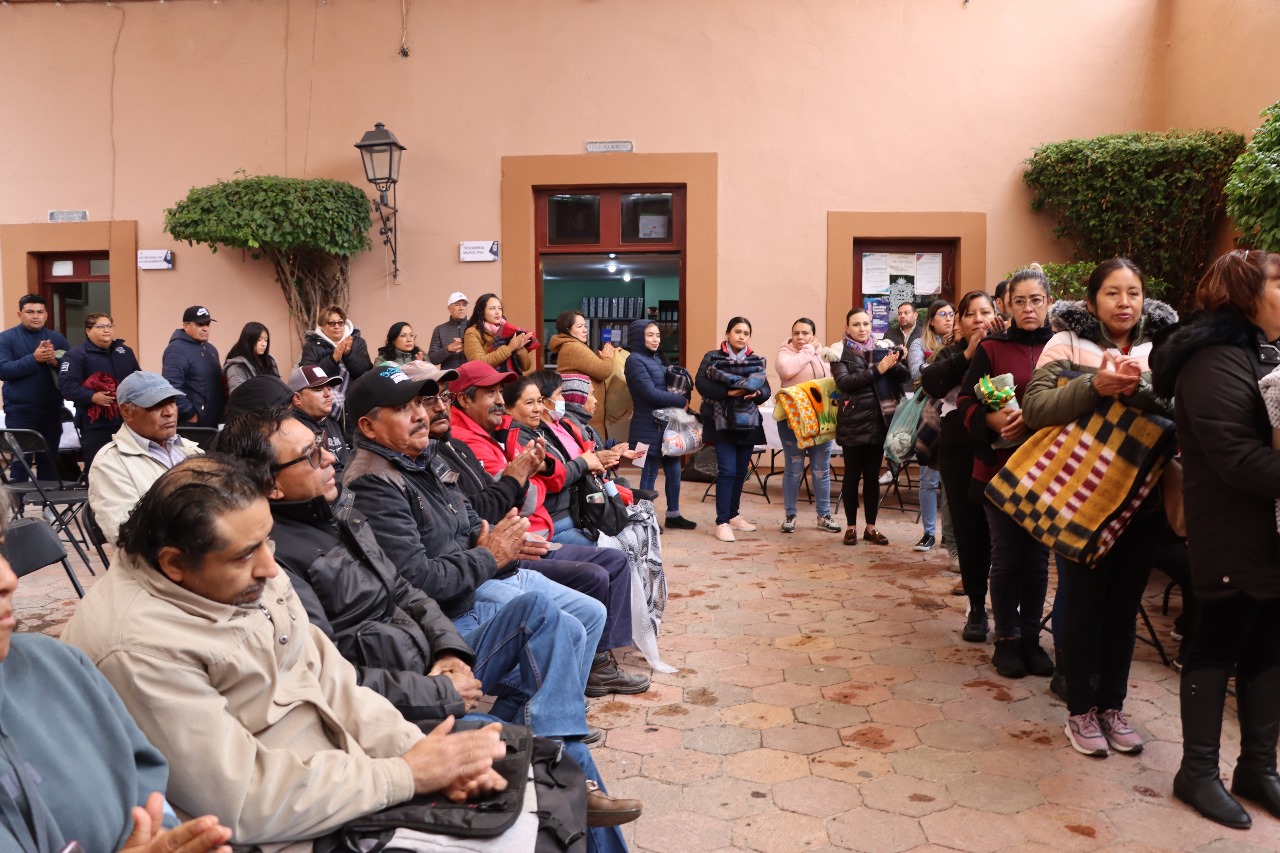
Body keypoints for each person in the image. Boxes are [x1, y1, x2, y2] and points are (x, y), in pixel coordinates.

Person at [211, 408, 642, 835]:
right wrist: (436, 688)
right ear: (271, 485)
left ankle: (557, 746)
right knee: (561, 762)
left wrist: (449, 650)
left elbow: (404, 589)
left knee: (545, 614)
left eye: (322, 445)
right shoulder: (281, 556)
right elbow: (333, 677)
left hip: (431, 656)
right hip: (399, 703)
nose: (329, 458)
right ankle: (560, 761)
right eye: (310, 455)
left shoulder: (341, 510)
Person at [62, 456, 517, 848]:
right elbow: (243, 801)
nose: (272, 567)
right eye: (245, 554)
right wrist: (405, 775)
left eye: (267, 539)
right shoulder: (139, 648)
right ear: (174, 564)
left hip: (348, 779)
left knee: (527, 772)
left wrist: (421, 752)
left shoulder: (241, 571)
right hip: (291, 832)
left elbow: (333, 680)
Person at [339, 366, 611, 702]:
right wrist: (489, 554)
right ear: (368, 426)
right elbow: (417, 579)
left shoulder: (421, 457)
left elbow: (471, 520)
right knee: (558, 630)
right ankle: (540, 726)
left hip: (478, 580)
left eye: (418, 404)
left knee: (591, 614)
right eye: (402, 409)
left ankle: (543, 721)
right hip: (450, 612)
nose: (421, 415)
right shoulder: (373, 483)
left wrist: (502, 545)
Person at [0, 499, 235, 853]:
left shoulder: (59, 666)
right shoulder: (126, 642)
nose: (9, 578)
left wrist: (163, 837)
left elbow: (145, 777)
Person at [1022, 258, 1177, 758]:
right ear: (1092, 302)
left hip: (1143, 499)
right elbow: (1036, 407)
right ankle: (1080, 710)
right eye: (1113, 293)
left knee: (1123, 607)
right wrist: (1093, 384)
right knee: (1083, 602)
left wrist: (1138, 390)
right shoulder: (1065, 343)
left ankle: (1113, 705)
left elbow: (1188, 409)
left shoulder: (1167, 347)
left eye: (1133, 293)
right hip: (1080, 493)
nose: (1124, 303)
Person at [1152, 249, 1280, 829]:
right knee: (1216, 643)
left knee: (1269, 645)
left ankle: (1258, 768)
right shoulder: (1213, 359)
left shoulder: (1262, 353)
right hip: (1230, 530)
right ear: (1246, 292)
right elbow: (1237, 459)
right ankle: (1196, 773)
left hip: (1271, 532)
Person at [433, 365, 650, 696]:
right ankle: (579, 677)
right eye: (492, 394)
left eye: (543, 401)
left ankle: (595, 664)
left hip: (525, 538)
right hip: (519, 544)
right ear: (464, 400)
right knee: (598, 570)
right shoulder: (472, 442)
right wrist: (525, 476)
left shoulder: (488, 437)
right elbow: (514, 502)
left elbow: (523, 496)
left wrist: (530, 474)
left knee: (614, 559)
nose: (500, 402)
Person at [956, 266, 1055, 680]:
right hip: (999, 468)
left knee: (1037, 560)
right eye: (1019, 301)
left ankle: (1032, 639)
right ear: (1006, 305)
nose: (1028, 308)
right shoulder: (993, 347)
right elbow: (964, 401)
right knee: (1007, 557)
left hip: (1049, 472)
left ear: (1048, 302)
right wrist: (993, 421)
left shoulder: (1061, 347)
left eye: (1036, 300)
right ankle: (1008, 639)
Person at [921, 291, 1002, 642]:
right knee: (969, 532)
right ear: (959, 321)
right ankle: (976, 608)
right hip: (958, 451)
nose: (979, 320)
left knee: (1001, 533)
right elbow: (932, 382)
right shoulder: (951, 354)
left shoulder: (1004, 348)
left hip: (1000, 450)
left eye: (986, 312)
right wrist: (970, 353)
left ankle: (1007, 607)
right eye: (971, 314)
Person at [89, 372, 203, 542]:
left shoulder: (190, 450)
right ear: (127, 411)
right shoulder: (110, 463)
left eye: (172, 402)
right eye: (156, 405)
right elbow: (127, 535)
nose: (169, 412)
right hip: (158, 563)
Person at [831, 307, 908, 547]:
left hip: (878, 421)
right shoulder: (839, 353)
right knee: (852, 476)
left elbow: (904, 376)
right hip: (853, 422)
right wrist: (878, 369)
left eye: (865, 324)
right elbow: (845, 382)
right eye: (856, 325)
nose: (862, 329)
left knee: (872, 478)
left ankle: (871, 528)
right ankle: (851, 527)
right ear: (847, 328)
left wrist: (895, 361)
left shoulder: (882, 349)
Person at [695, 316, 771, 543]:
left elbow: (766, 388)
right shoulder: (713, 357)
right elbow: (702, 384)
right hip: (721, 423)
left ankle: (734, 515)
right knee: (727, 471)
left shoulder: (755, 360)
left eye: (746, 333)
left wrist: (757, 394)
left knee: (740, 472)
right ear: (728, 333)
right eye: (737, 331)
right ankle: (722, 522)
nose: (741, 336)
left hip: (747, 423)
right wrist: (729, 392)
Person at [624, 318, 696, 530]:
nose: (655, 340)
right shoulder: (634, 360)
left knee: (674, 471)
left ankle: (673, 514)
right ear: (639, 337)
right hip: (645, 425)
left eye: (657, 335)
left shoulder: (656, 359)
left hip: (665, 426)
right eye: (650, 335)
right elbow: (649, 393)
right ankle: (645, 518)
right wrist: (680, 400)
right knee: (648, 473)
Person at [775, 317, 841, 534]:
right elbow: (786, 371)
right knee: (793, 469)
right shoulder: (785, 353)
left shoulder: (825, 355)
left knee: (821, 470)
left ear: (814, 335)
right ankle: (790, 515)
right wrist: (808, 351)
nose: (800, 337)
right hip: (792, 422)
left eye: (805, 333)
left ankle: (824, 516)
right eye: (796, 333)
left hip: (821, 422)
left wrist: (815, 352)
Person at [0, 293, 71, 480]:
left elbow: (72, 369)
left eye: (40, 312)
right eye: (30, 312)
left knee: (49, 462)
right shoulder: (6, 338)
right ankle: (18, 508)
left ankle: (48, 508)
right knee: (20, 464)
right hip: (20, 412)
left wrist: (56, 362)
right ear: (19, 314)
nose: (35, 316)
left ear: (46, 315)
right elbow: (3, 370)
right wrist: (34, 359)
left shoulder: (57, 338)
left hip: (51, 409)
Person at [57, 311, 140, 471]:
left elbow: (138, 378)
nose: (106, 330)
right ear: (88, 331)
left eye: (109, 326)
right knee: (99, 467)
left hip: (127, 420)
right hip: (95, 424)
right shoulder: (76, 355)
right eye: (101, 326)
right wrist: (92, 396)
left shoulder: (124, 352)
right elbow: (66, 386)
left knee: (129, 467)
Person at [907, 300, 955, 551]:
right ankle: (928, 533)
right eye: (942, 314)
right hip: (929, 414)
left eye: (951, 314)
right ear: (932, 320)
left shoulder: (960, 344)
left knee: (950, 480)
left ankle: (949, 532)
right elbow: (917, 373)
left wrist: (934, 369)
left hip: (953, 415)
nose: (948, 319)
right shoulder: (920, 343)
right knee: (928, 478)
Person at [299, 304, 374, 431]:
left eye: (340, 322)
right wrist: (333, 358)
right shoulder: (311, 346)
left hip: (354, 402)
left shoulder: (357, 342)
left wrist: (348, 355)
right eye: (331, 323)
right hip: (325, 405)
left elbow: (365, 371)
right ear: (322, 325)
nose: (337, 327)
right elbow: (308, 376)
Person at [549, 310, 616, 432]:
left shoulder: (573, 345)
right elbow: (603, 370)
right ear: (567, 329)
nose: (585, 330)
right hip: (585, 417)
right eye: (580, 326)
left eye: (585, 326)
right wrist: (607, 357)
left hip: (586, 414)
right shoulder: (573, 347)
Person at [161, 305, 224, 428]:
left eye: (207, 324)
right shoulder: (176, 350)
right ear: (186, 326)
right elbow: (171, 386)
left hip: (214, 422)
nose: (205, 328)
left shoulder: (211, 349)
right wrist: (191, 414)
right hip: (193, 426)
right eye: (200, 325)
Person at [287, 364, 348, 469]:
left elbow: (346, 465)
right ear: (297, 398)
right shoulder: (291, 431)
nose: (327, 394)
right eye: (318, 389)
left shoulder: (332, 423)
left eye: (329, 388)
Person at [463, 292, 534, 375]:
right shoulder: (472, 332)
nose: (497, 312)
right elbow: (479, 363)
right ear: (481, 311)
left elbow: (526, 367)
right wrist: (509, 348)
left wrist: (519, 349)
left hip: (511, 380)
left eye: (499, 308)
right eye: (492, 308)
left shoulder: (507, 330)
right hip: (486, 382)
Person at [222, 321, 279, 394]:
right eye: (259, 340)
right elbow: (238, 396)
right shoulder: (236, 366)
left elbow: (278, 387)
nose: (264, 344)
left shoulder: (270, 361)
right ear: (249, 340)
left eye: (266, 340)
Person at [427, 291, 470, 370]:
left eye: (464, 305)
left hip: (472, 377)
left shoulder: (474, 326)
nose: (461, 308)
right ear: (449, 308)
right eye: (457, 305)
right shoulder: (439, 330)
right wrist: (448, 349)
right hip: (449, 378)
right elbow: (432, 359)